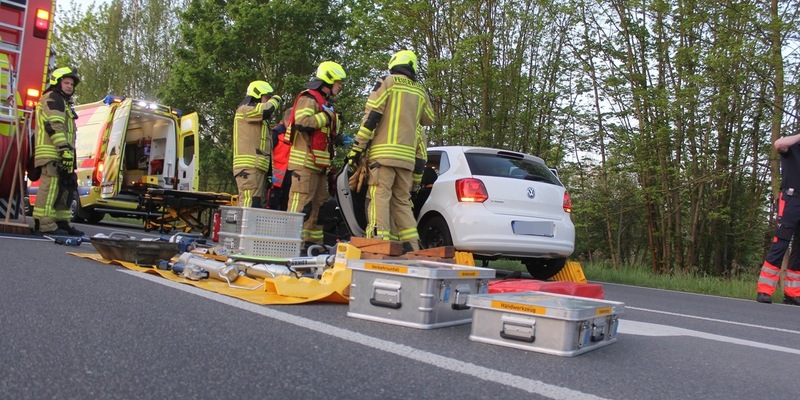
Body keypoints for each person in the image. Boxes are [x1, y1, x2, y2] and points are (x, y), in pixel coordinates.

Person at [347, 50, 435, 252]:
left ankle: (377, 244)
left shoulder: (387, 81)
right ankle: (413, 247)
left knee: (379, 197)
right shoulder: (420, 91)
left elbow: (371, 118)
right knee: (402, 202)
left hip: (383, 156)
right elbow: (428, 118)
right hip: (406, 160)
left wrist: (357, 148)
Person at [285, 61, 350, 249]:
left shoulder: (324, 102)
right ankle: (289, 244)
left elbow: (322, 134)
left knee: (320, 207)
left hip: (318, 166)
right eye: (338, 82)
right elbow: (302, 122)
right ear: (328, 80)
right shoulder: (309, 98)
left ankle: (311, 244)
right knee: (300, 205)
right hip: (304, 164)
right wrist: (327, 116)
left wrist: (339, 138)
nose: (341, 86)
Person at [33, 67, 83, 236]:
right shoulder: (53, 98)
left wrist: (68, 152)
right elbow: (54, 125)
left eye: (71, 84)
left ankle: (61, 222)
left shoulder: (64, 102)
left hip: (64, 152)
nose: (70, 86)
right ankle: (44, 223)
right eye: (66, 82)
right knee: (51, 186)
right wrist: (63, 149)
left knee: (67, 186)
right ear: (57, 82)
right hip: (53, 152)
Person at [756, 134, 800, 305]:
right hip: (791, 198)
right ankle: (765, 290)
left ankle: (792, 292)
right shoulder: (793, 146)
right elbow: (778, 144)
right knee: (780, 242)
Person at [232, 80, 282, 208]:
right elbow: (266, 110)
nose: (269, 100)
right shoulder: (245, 110)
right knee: (249, 205)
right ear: (257, 95)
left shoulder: (259, 120)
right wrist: (276, 99)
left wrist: (270, 174)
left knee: (257, 206)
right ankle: (243, 229)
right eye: (267, 97)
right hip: (248, 169)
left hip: (258, 169)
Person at [267, 109, 292, 210]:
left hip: (288, 178)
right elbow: (268, 154)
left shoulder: (294, 135)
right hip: (275, 180)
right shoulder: (277, 133)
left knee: (285, 206)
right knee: (272, 206)